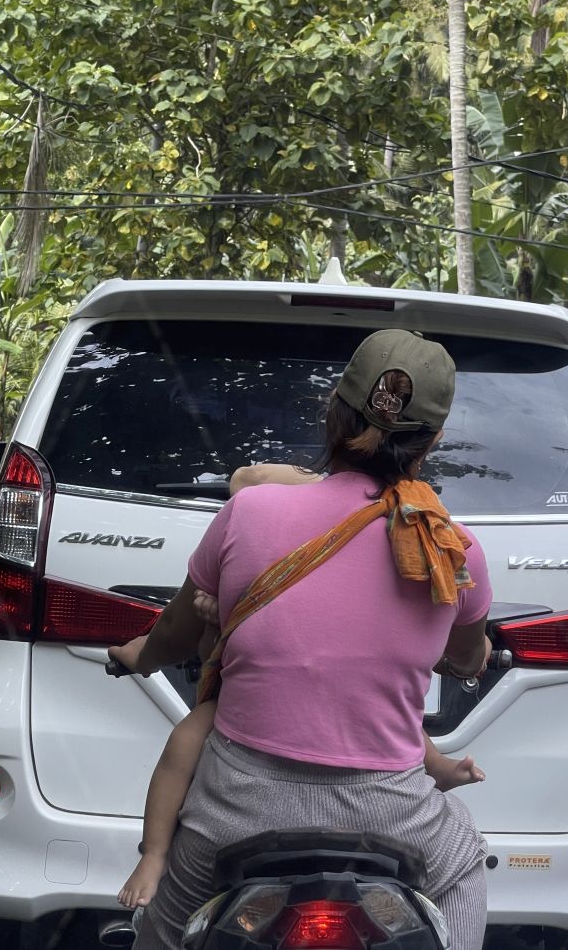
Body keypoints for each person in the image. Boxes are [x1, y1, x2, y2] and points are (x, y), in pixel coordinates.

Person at [109, 329, 493, 950]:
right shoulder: (451, 549)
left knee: (163, 933)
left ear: (331, 411)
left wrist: (138, 654)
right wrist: (468, 656)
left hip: (238, 807)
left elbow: (175, 633)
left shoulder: (249, 512)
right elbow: (467, 653)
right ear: (435, 440)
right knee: (462, 864)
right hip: (391, 808)